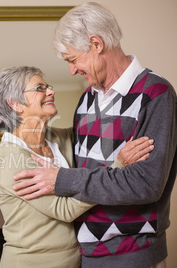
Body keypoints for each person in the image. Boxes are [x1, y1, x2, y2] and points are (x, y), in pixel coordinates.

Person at [12, 3, 177, 268]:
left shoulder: (156, 94)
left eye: (73, 59)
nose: (72, 71)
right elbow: (73, 160)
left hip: (133, 254)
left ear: (96, 44)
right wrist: (13, 161)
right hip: (87, 254)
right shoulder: (86, 100)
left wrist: (63, 179)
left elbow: (146, 185)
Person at [0, 66, 153, 267]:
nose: (51, 91)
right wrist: (118, 166)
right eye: (39, 88)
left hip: (75, 261)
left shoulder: (61, 138)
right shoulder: (10, 157)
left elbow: (97, 131)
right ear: (15, 104)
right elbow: (64, 209)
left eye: (47, 86)